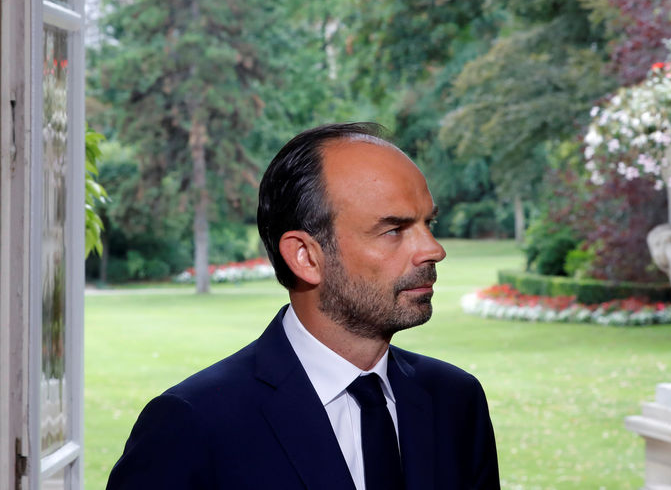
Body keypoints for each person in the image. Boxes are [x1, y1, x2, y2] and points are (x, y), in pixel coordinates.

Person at [106, 122, 500, 490]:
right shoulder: (192, 424)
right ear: (305, 257)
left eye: (428, 224)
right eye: (394, 229)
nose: (434, 249)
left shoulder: (456, 401)